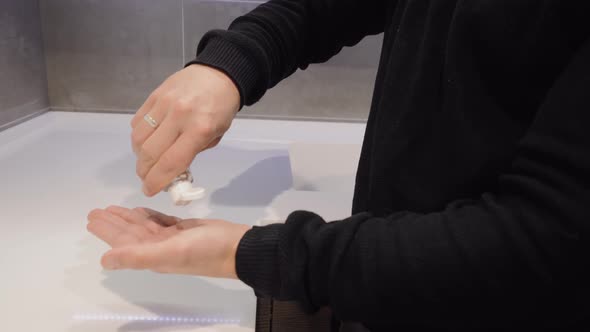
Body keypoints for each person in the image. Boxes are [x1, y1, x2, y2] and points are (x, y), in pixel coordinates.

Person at [87, 0, 590, 330]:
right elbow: (323, 8)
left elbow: (543, 243)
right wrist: (231, 64)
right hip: (390, 284)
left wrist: (259, 254)